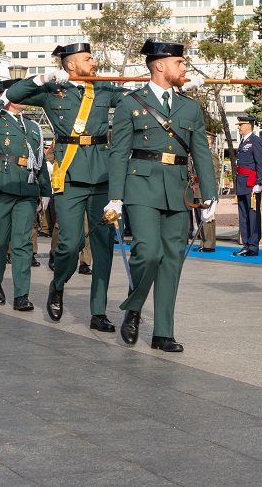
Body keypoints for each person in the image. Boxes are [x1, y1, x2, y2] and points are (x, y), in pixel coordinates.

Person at [4, 42, 130, 333]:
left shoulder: (102, 87)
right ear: (71, 65)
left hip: (101, 175)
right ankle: (58, 284)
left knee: (102, 248)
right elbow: (13, 94)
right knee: (70, 245)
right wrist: (43, 78)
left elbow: (138, 98)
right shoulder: (52, 91)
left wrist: (175, 88)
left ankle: (98, 312)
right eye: (88, 59)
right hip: (70, 176)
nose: (94, 62)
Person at [106, 39, 215, 352]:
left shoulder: (190, 107)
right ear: (160, 65)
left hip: (179, 189)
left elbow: (201, 153)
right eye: (179, 63)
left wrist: (209, 195)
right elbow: (119, 152)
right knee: (148, 252)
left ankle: (163, 333)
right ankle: (135, 307)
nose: (184, 68)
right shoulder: (130, 103)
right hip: (140, 186)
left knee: (171, 261)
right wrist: (115, 197)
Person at [0, 79, 52, 310]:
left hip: (27, 188)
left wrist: (45, 192)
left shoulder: (33, 127)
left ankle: (21, 294)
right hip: (3, 184)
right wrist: (3, 99)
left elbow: (38, 161)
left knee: (23, 242)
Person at [232, 115, 262, 257]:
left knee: (252, 215)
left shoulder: (255, 141)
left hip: (251, 183)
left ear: (249, 126)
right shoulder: (243, 141)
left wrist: (259, 182)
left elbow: (260, 163)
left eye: (241, 125)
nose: (239, 127)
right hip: (242, 183)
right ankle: (246, 244)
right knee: (244, 215)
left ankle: (253, 246)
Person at [196, 133, 222, 253]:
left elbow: (215, 174)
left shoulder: (211, 155)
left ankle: (209, 244)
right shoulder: (200, 154)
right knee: (200, 217)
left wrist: (212, 192)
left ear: (209, 141)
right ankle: (203, 241)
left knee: (208, 218)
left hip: (206, 189)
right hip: (197, 188)